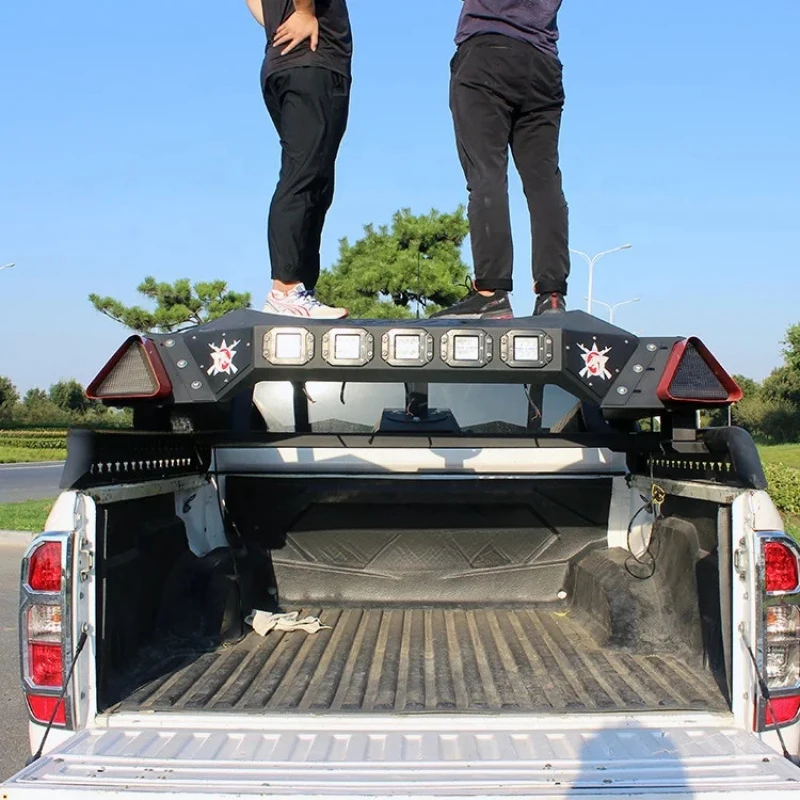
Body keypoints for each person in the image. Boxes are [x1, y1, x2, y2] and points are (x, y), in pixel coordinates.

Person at [433, 0, 570, 319]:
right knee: (544, 183)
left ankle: (491, 292)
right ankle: (551, 295)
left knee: (486, 175)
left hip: (486, 51)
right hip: (543, 63)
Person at [245, 0, 352, 318]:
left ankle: (299, 291)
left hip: (288, 62)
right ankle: (286, 289)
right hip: (312, 61)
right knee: (304, 175)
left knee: (315, 179)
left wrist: (276, 21)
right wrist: (303, 13)